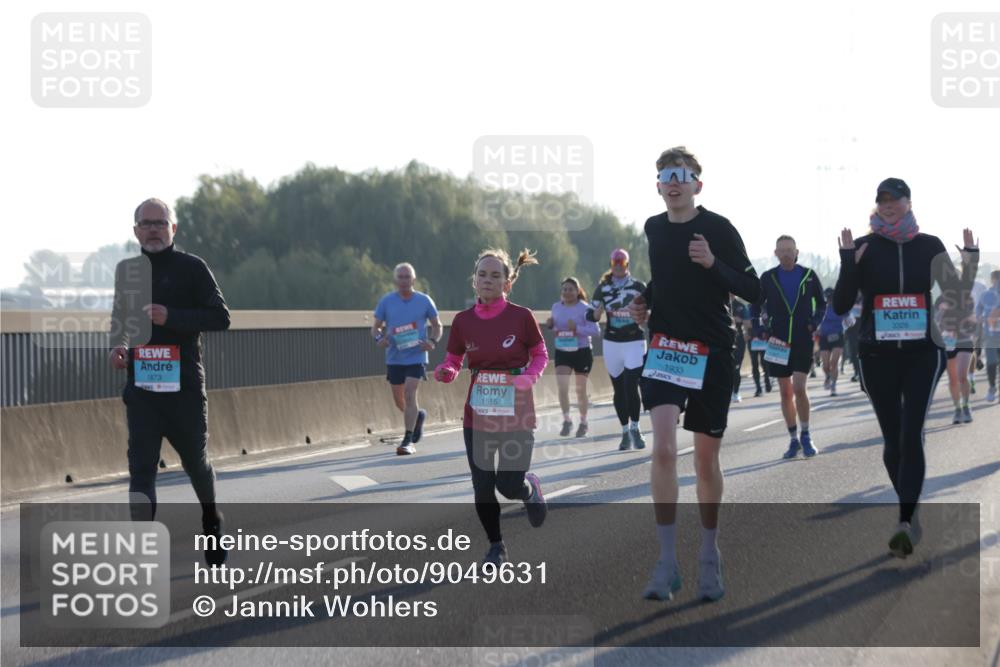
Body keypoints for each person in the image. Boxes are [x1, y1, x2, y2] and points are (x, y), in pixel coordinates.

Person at [629, 146, 761, 602]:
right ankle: (666, 562)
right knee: (663, 449)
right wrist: (645, 300)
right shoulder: (654, 228)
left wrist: (713, 264)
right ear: (659, 184)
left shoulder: (718, 228)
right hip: (666, 349)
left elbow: (752, 288)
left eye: (682, 175)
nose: (674, 181)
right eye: (666, 174)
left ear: (697, 185)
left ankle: (709, 552)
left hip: (713, 352)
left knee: (705, 461)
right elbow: (665, 278)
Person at [833, 177, 978, 558]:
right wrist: (849, 262)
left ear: (909, 202)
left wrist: (970, 262)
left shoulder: (929, 245)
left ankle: (903, 519)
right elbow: (841, 305)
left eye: (894, 199)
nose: (888, 205)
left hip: (922, 353)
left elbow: (956, 295)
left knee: (912, 432)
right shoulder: (864, 246)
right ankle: (911, 512)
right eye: (881, 200)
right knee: (893, 439)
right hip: (876, 355)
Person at [109, 197, 231, 566]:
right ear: (135, 231)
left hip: (185, 390)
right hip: (142, 389)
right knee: (141, 470)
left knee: (196, 463)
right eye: (146, 224)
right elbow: (120, 318)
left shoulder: (192, 268)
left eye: (160, 223)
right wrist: (118, 346)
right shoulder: (127, 271)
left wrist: (171, 316)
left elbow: (220, 317)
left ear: (172, 228)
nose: (153, 230)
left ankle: (211, 520)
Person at [433, 248, 549, 568]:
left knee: (508, 485)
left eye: (495, 275)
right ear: (474, 281)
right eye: (482, 274)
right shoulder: (463, 321)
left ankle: (529, 490)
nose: (487, 280)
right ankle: (496, 547)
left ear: (507, 283)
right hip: (478, 414)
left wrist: (529, 377)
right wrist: (449, 371)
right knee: (483, 486)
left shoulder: (521, 317)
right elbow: (454, 358)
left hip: (517, 411)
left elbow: (540, 355)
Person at [752, 236, 826, 459]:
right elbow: (755, 306)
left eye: (789, 250)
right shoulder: (768, 277)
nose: (785, 254)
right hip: (777, 340)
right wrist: (759, 329)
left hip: (802, 339)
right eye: (781, 250)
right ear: (775, 253)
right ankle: (793, 439)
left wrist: (814, 322)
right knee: (785, 392)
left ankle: (806, 434)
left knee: (799, 388)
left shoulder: (809, 276)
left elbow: (821, 304)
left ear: (796, 252)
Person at [372, 263, 443, 455]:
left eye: (407, 277)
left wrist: (432, 341)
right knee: (399, 400)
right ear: (395, 280)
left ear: (413, 279)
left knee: (411, 394)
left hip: (417, 356)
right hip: (395, 357)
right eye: (400, 277)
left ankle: (407, 439)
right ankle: (417, 417)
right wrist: (380, 339)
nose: (404, 281)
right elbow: (376, 327)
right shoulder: (387, 301)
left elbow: (438, 326)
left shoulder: (424, 300)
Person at [588, 249, 648, 450]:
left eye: (621, 262)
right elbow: (591, 314)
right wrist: (596, 313)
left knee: (631, 385)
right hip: (612, 342)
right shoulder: (603, 288)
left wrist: (645, 315)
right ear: (610, 263)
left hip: (634, 341)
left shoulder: (639, 286)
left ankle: (636, 428)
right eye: (614, 262)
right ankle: (624, 431)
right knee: (619, 389)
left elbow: (652, 310)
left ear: (627, 264)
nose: (617, 265)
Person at [546, 277, 601, 438]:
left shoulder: (585, 308)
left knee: (580, 390)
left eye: (571, 289)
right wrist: (551, 325)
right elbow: (556, 327)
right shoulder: (556, 307)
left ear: (578, 292)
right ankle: (567, 420)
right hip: (562, 350)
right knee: (562, 387)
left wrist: (577, 328)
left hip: (582, 351)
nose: (567, 292)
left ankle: (583, 422)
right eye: (565, 289)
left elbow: (595, 331)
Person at [936, 284, 977, 424]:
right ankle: (957, 409)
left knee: (961, 376)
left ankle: (966, 406)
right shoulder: (940, 299)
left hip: (964, 340)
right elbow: (936, 320)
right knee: (953, 379)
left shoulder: (967, 298)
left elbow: (972, 318)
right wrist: (941, 311)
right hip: (948, 342)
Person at [817, 287, 851, 396]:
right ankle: (828, 376)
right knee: (826, 365)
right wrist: (816, 328)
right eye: (828, 298)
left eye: (831, 297)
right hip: (824, 337)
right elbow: (816, 320)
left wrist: (846, 324)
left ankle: (833, 386)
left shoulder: (840, 306)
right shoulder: (821, 308)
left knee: (834, 362)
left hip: (838, 336)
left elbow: (850, 320)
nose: (829, 300)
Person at [976, 270, 1000, 402]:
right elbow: (979, 308)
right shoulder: (985, 294)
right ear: (993, 280)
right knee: (991, 363)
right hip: (990, 335)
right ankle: (992, 388)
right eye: (997, 280)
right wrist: (979, 316)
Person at [747, 306, 772, 397]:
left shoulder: (766, 306)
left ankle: (767, 381)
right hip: (753, 340)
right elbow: (747, 324)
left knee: (765, 362)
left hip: (763, 339)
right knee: (754, 364)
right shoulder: (749, 308)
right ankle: (758, 388)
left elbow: (769, 321)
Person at [730, 297, 749, 403]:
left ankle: (735, 392)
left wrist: (740, 320)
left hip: (738, 340)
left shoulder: (741, 306)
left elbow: (748, 324)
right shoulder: (718, 301)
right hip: (723, 339)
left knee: (736, 368)